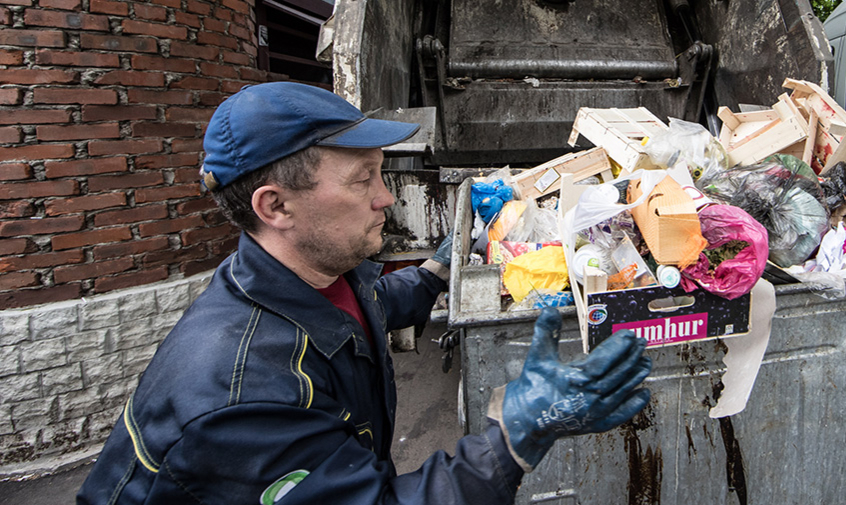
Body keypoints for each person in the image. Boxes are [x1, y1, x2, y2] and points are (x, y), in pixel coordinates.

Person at [77, 82, 652, 505]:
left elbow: (371, 308)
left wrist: (433, 270)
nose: (386, 199)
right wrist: (513, 440)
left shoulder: (316, 274)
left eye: (382, 175)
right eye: (363, 180)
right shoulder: (246, 399)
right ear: (275, 206)